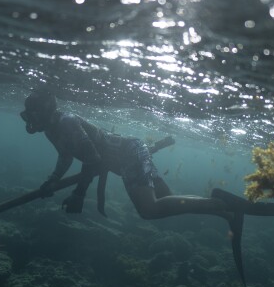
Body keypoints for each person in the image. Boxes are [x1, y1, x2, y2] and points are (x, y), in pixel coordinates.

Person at [20, 89, 236, 226]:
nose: (29, 118)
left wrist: (79, 194)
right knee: (167, 200)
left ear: (45, 111)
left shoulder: (67, 122)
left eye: (33, 113)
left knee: (149, 210)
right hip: (130, 151)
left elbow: (92, 159)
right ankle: (221, 209)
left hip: (128, 154)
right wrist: (53, 180)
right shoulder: (51, 129)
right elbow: (65, 157)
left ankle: (220, 203)